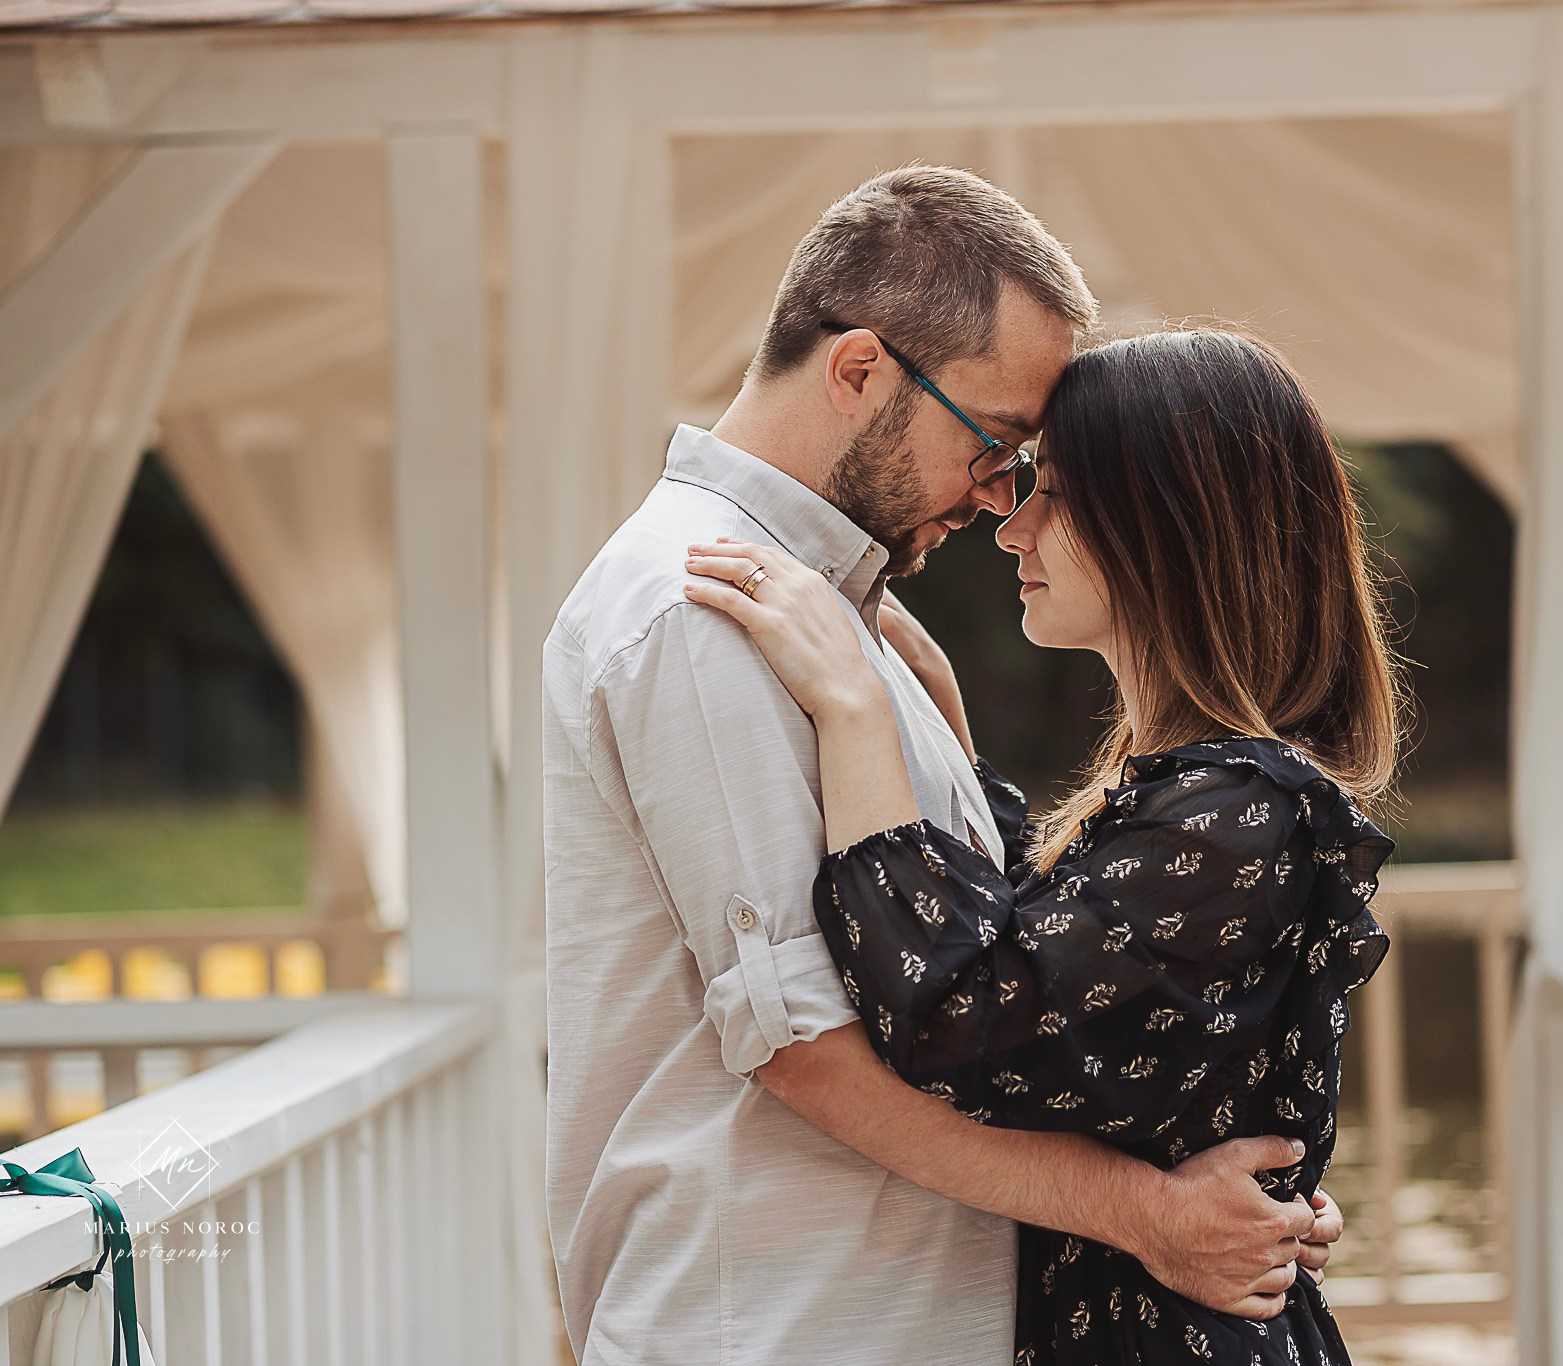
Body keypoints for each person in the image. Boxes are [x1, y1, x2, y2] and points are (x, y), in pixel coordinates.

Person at [542, 169, 1340, 1366]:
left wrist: (1223, 1174)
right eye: (995, 441)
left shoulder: (832, 622)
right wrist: (1156, 1217)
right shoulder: (699, 611)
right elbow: (810, 1050)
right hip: (779, 1325)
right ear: (859, 370)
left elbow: (1028, 981)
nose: (998, 497)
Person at [680, 326, 1403, 1365]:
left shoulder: (1239, 806)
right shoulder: (1201, 795)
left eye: (1052, 492)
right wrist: (937, 722)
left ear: (1167, 524)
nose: (1011, 529)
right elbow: (1057, 954)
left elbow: (961, 1015)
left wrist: (851, 709)